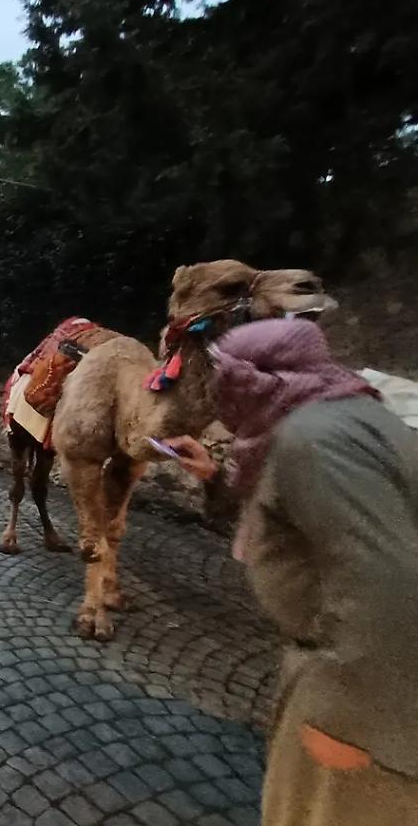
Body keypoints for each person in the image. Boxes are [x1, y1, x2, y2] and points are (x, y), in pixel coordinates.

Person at [163, 319, 418, 826]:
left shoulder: (314, 437)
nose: (218, 390)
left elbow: (387, 583)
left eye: (224, 375)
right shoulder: (347, 415)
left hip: (357, 700)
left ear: (255, 377)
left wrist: (346, 720)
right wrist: (216, 481)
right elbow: (297, 522)